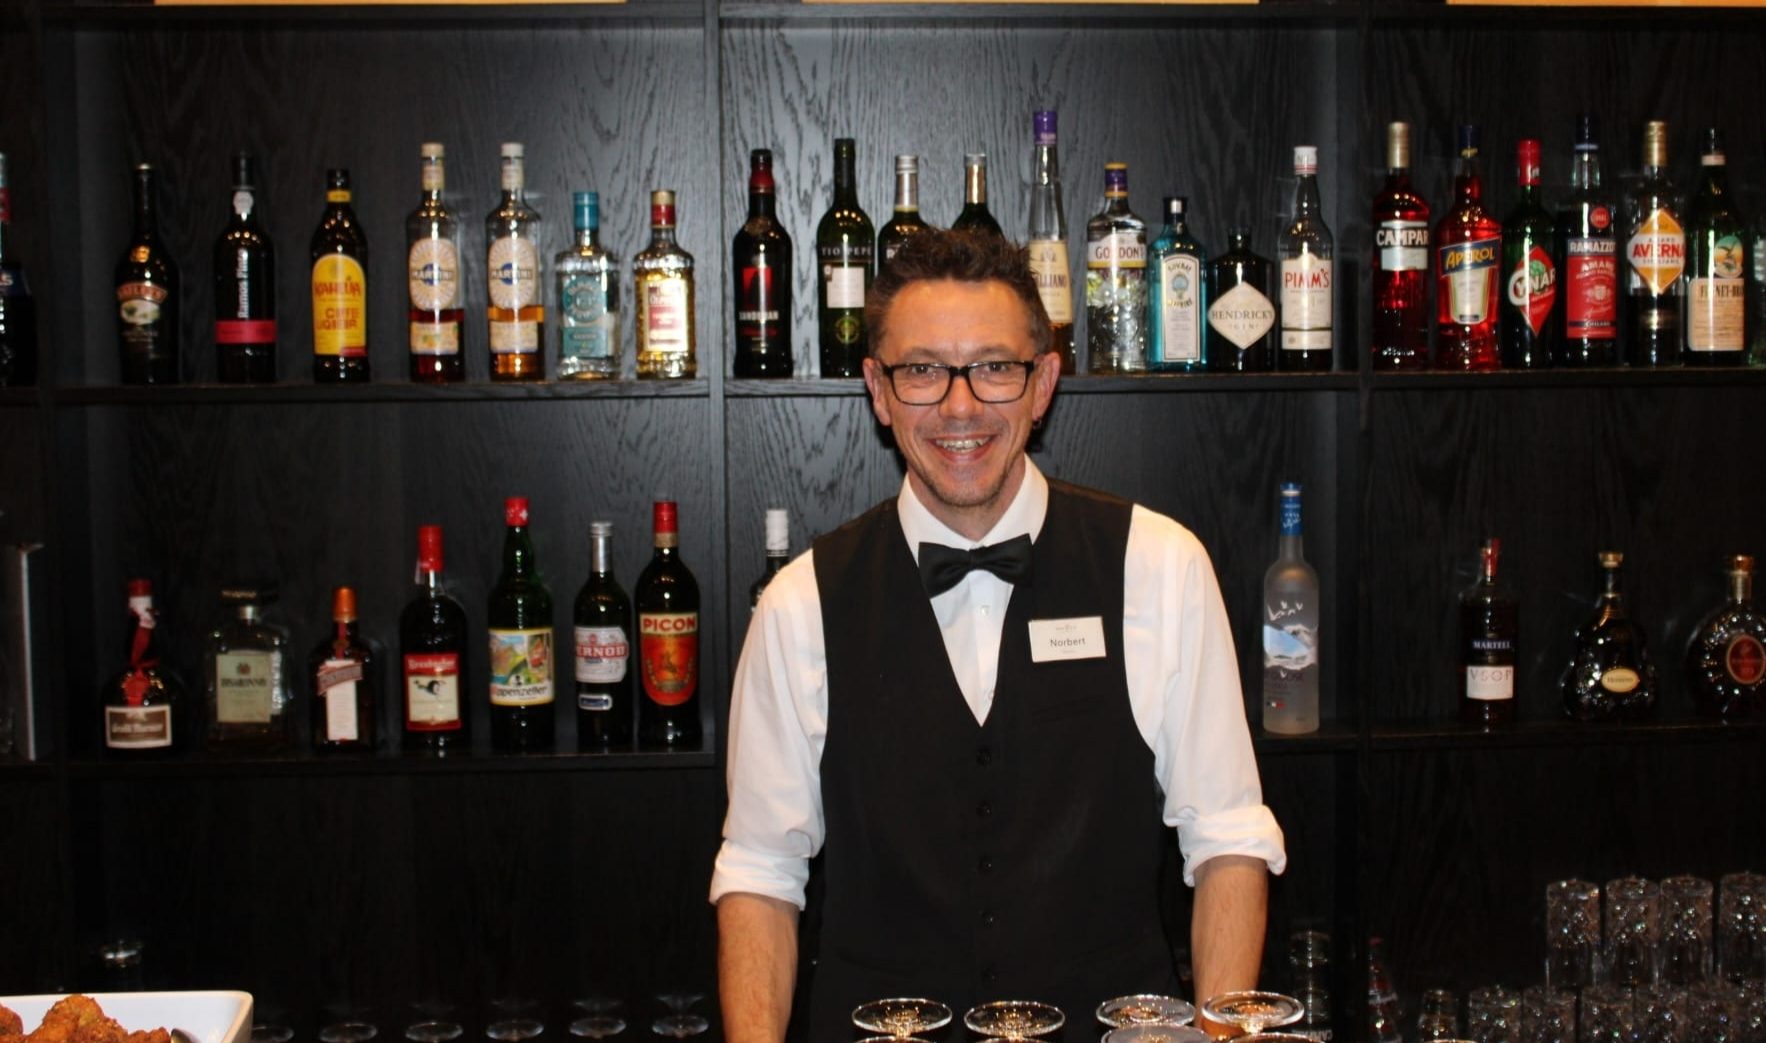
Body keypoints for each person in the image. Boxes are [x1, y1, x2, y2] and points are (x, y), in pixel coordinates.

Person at [711, 230, 1286, 1043]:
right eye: (921, 370)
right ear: (877, 389)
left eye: (993, 367)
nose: (959, 406)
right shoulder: (800, 601)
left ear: (1043, 382)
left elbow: (1229, 842)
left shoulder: (1160, 565)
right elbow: (761, 876)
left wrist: (1221, 1037)